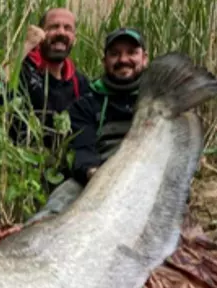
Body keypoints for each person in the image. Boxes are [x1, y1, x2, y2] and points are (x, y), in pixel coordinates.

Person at [26, 27, 149, 224]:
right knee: (56, 206)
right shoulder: (87, 103)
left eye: (131, 53)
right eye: (115, 54)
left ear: (144, 58)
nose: (123, 60)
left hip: (148, 174)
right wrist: (96, 176)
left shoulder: (160, 101)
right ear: (104, 61)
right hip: (98, 176)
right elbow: (82, 149)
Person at [5, 8, 90, 151]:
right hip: (21, 160)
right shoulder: (23, 67)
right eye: (54, 27)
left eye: (68, 28)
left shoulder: (79, 82)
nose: (61, 32)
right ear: (40, 33)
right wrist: (26, 46)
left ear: (74, 39)